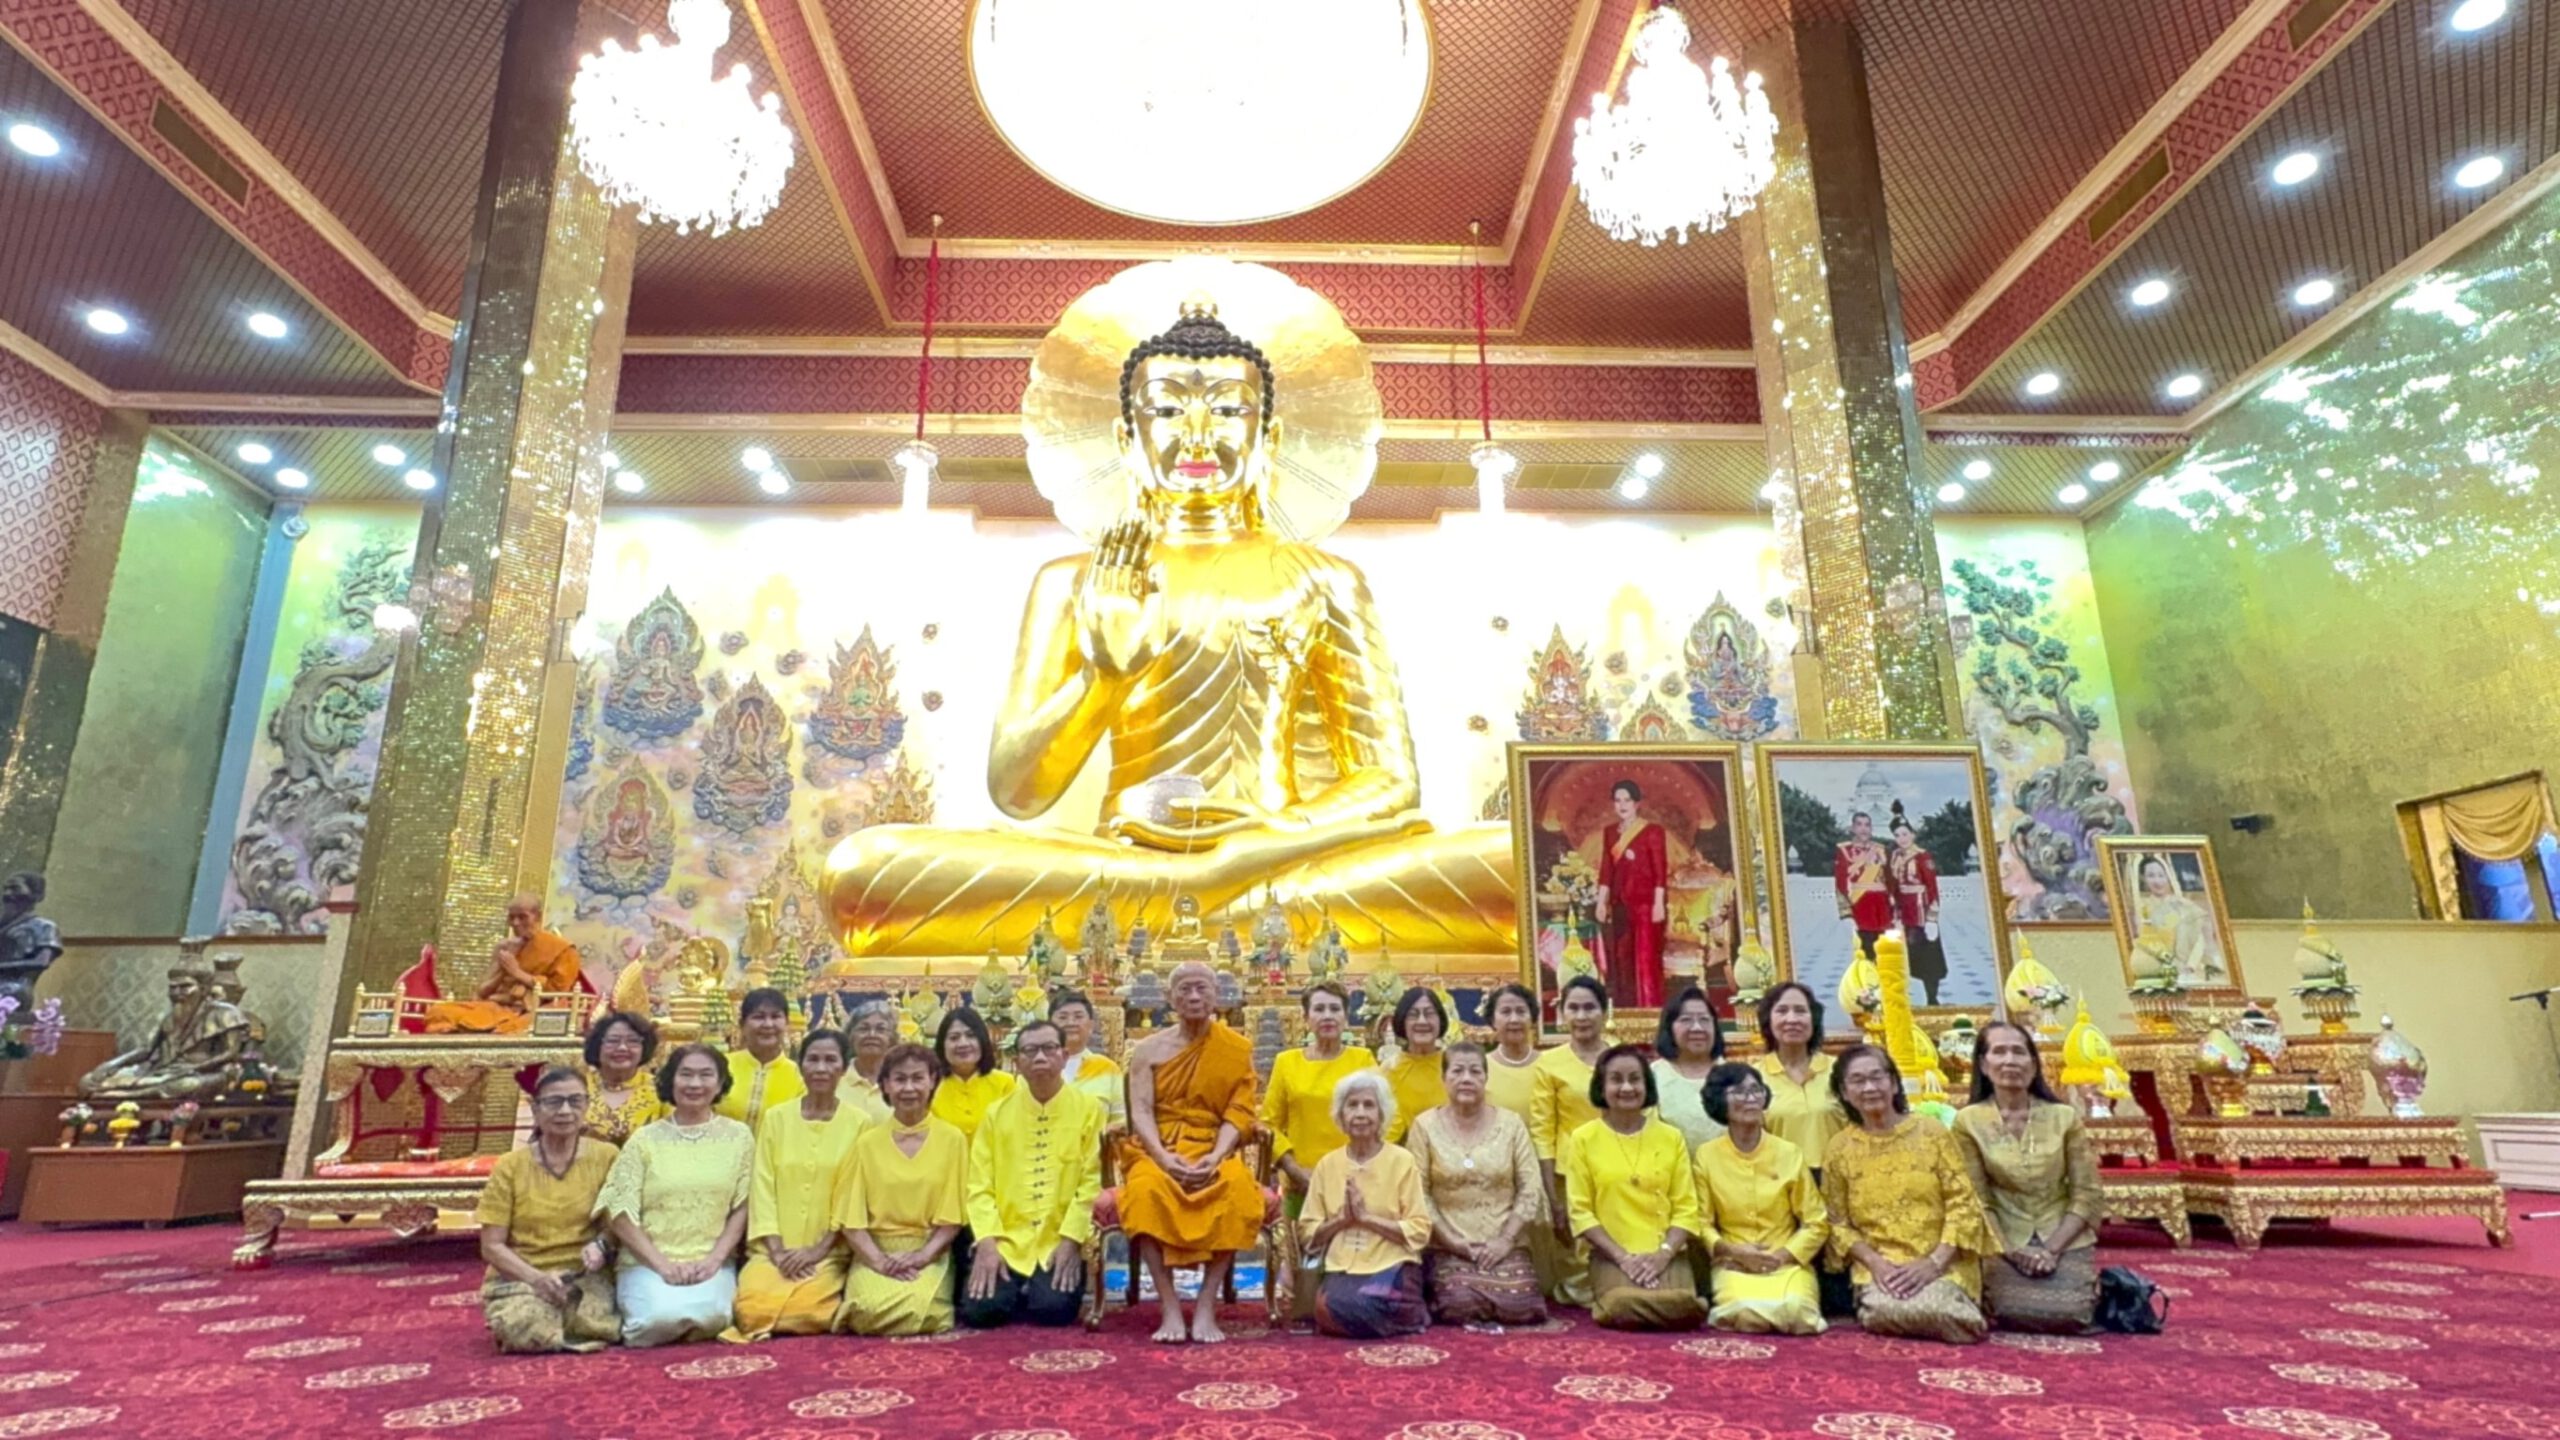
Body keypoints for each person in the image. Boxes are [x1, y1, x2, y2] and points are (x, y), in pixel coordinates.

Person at [1121, 961, 1266, 1345]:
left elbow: (1239, 1111)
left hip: (1212, 1145)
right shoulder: (1147, 1050)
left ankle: (1206, 1303)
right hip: (1158, 1147)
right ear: (1169, 998)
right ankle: (1169, 1305)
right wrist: (1162, 1157)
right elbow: (1141, 1111)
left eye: (1202, 988)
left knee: (1237, 1189)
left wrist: (1217, 1156)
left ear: (1217, 996)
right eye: (1185, 989)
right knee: (1144, 1191)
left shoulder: (1236, 1048)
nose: (1194, 996)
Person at [1821, 1044, 1993, 1344]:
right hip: (1881, 1268)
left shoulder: (1932, 1132)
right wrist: (1877, 1264)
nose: (1870, 1087)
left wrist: (1933, 1263)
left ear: (1894, 1083)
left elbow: (1963, 1204)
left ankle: (1959, 1312)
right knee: (1885, 1310)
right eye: (1858, 1081)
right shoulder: (1839, 1148)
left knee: (1937, 1308)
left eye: (1877, 1077)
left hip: (1942, 1261)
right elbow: (1837, 1223)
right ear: (1845, 1093)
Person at [596, 1043, 753, 1347]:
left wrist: (715, 1259)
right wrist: (662, 1265)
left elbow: (743, 1206)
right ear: (671, 1080)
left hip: (710, 1260)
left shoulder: (739, 1136)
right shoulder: (645, 1139)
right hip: (648, 1261)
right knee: (655, 1321)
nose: (695, 1084)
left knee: (716, 1318)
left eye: (706, 1075)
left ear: (720, 1083)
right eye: (686, 1075)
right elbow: (619, 1212)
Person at [1953, 1022, 2102, 1334]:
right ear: (1983, 1064)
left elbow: (2087, 1193)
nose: (2010, 1060)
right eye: (1999, 1052)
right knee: (2010, 1310)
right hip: (2003, 1236)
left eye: (2019, 1052)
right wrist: (2010, 1251)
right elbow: (1977, 1200)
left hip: (2062, 1231)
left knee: (2070, 1312)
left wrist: (2052, 1250)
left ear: (2033, 1065)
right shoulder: (1968, 1121)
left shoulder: (2064, 1117)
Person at [962, 1019, 1106, 1328]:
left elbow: (1092, 1182)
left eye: (1048, 1048)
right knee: (982, 1312)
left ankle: (1033, 1289)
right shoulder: (997, 1114)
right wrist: (987, 1242)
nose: (1040, 1057)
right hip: (1007, 1241)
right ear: (1017, 1062)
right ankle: (1017, 1287)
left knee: (1053, 1311)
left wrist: (1072, 1240)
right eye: (1030, 1051)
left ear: (1064, 1056)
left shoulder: (1089, 1109)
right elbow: (979, 1186)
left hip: (1057, 1240)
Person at [725, 1029, 867, 1341]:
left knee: (811, 1312)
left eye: (830, 1060)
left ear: (844, 1068)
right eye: (813, 1059)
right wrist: (777, 1250)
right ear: (800, 1065)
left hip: (827, 1251)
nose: (821, 1068)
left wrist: (817, 1251)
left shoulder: (859, 1123)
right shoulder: (776, 1118)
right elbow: (762, 1185)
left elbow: (852, 1194)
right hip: (771, 1249)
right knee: (750, 1311)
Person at [476, 1066, 619, 1352]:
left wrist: (601, 1245)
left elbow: (617, 1225)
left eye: (575, 1101)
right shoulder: (510, 1166)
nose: (565, 1111)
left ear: (587, 1105)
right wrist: (536, 1279)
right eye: (554, 1102)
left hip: (584, 1274)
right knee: (525, 1326)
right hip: (523, 1277)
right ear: (535, 1108)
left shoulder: (607, 1156)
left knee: (601, 1323)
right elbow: (492, 1246)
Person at [1560, 1045, 1703, 1331]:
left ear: (1646, 1085)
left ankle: (1678, 1306)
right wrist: (1624, 1258)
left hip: (1665, 1253)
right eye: (1616, 1080)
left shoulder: (1671, 1137)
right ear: (1602, 1087)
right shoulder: (1583, 1139)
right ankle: (1689, 1309)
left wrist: (1663, 1254)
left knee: (1677, 1300)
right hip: (1611, 1255)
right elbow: (1581, 1213)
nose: (1626, 1088)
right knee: (1622, 1303)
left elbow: (1687, 1208)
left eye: (1635, 1079)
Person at [1403, 1041, 1545, 1328]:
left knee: (1523, 1305)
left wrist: (1505, 1240)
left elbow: (1530, 1187)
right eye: (1457, 1071)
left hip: (1503, 1243)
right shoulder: (1424, 1126)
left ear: (1486, 1078)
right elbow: (1418, 1191)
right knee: (1458, 1303)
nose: (1466, 1079)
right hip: (1447, 1245)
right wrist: (1452, 1241)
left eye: (1475, 1072)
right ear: (1444, 1078)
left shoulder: (1511, 1124)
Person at [836, 1043, 969, 1335]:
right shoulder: (866, 1143)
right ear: (885, 1085)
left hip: (929, 1251)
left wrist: (922, 1257)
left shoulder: (952, 1140)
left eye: (917, 1078)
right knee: (865, 1311)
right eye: (900, 1079)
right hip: (875, 1252)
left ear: (932, 1081)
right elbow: (852, 1222)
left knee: (923, 1310)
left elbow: (952, 1219)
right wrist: (879, 1261)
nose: (909, 1088)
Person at [1693, 1062, 1826, 1335]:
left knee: (1798, 1311)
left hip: (1787, 1264)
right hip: (1733, 1264)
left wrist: (1781, 1256)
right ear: (1719, 1100)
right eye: (1739, 1092)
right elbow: (1701, 1222)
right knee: (1742, 1310)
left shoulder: (1789, 1152)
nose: (1751, 1098)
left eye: (1756, 1090)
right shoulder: (1706, 1156)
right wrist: (1732, 1252)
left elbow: (1816, 1222)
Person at [1299, 1070, 1432, 1338]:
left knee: (1361, 1304)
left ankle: (1404, 1314)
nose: (1360, 1113)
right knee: (1329, 1306)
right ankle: (1404, 1319)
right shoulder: (1327, 1165)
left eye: (1369, 1105)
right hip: (1343, 1266)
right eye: (1353, 1105)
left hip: (1392, 1263)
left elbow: (1420, 1229)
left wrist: (1366, 1219)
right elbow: (1307, 1233)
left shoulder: (1402, 1161)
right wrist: (1342, 1220)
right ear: (1341, 1116)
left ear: (1382, 1115)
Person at [1529, 974, 1611, 1306]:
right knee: (1574, 1252)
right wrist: (1552, 1194)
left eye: (1590, 1008)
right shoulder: (1549, 1064)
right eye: (1573, 1008)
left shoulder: (1619, 1057)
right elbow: (1542, 1131)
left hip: (1617, 1169)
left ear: (1604, 1012)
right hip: (1568, 1171)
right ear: (1562, 1014)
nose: (1581, 1016)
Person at [1263, 981, 1376, 1198]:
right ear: (1306, 1018)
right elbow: (1268, 1124)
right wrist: (1294, 1169)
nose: (1327, 1016)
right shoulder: (1286, 1062)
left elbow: (1381, 1120)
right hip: (1301, 1182)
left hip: (1355, 1182)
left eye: (1334, 1009)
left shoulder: (1363, 1060)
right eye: (1319, 1009)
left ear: (1346, 1016)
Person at [423, 895, 585, 1034]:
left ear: (538, 917)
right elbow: (482, 992)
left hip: (531, 1010)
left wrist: (517, 973)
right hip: (495, 1007)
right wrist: (503, 968)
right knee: (439, 1011)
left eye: (522, 917)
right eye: (511, 917)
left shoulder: (562, 949)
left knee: (514, 1028)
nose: (515, 923)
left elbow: (557, 991)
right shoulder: (504, 947)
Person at [1593, 779, 1670, 1008]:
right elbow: (1606, 870)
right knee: (1622, 958)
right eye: (1618, 800)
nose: (1622, 805)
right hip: (1620, 905)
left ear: (1637, 803)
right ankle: (1626, 1011)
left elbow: (1660, 870)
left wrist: (1658, 904)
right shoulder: (1610, 833)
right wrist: (1601, 902)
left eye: (1627, 800)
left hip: (1647, 906)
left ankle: (1650, 1010)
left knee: (1645, 959)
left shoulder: (1652, 832)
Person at [1751, 983, 1842, 1169]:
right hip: (1782, 1179)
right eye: (1782, 1011)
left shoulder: (1840, 1070)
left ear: (1814, 1018)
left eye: (1800, 1011)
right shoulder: (1754, 1078)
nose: (1791, 1019)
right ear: (1768, 1020)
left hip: (1837, 1177)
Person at [1650, 985, 1728, 1153]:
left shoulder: (1734, 1076)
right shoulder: (1653, 1077)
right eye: (1686, 1020)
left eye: (1704, 1020)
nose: (1697, 1028)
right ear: (1669, 1027)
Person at [2133, 854, 2229, 986]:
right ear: (2143, 878)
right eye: (2151, 876)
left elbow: (2200, 939)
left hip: (2192, 969)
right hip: (2159, 968)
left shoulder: (2186, 906)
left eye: (2161, 875)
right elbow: (2144, 940)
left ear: (2169, 876)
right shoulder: (2143, 908)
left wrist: (2191, 965)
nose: (2157, 881)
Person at [717, 988, 805, 1132]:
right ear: (742, 1025)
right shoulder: (720, 1067)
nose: (768, 1024)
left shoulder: (799, 1076)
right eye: (758, 1017)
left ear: (787, 1024)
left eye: (775, 1017)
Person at [1886, 804, 1947, 1005]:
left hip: (1922, 911)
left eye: (1905, 834)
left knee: (1929, 956)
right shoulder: (1895, 856)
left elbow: (1932, 887)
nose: (1902, 838)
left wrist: (1932, 919)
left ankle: (1932, 998)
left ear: (1913, 834)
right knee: (1911, 956)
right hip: (1905, 913)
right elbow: (1893, 885)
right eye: (1897, 835)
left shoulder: (1923, 856)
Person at [581, 1011, 667, 1144]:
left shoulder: (662, 1090)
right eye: (613, 1040)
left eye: (633, 1041)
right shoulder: (578, 1086)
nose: (622, 1048)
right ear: (597, 1046)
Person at [931, 1006, 1017, 1138]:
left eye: (971, 1036)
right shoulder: (930, 1085)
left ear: (982, 1040)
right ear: (942, 1045)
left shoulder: (1005, 1083)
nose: (963, 1043)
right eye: (954, 1038)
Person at [1381, 987, 1449, 1144]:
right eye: (1413, 1015)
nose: (1422, 1021)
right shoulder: (1389, 1070)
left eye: (1429, 1013)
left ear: (1440, 1019)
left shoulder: (1455, 1067)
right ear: (1402, 1021)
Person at [1049, 990, 1124, 1123]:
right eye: (1062, 1017)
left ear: (1091, 1025)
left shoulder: (1108, 1069)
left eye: (1078, 1017)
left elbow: (1121, 1122)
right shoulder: (1036, 1067)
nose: (1071, 1022)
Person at [0, 871, 61, 1014]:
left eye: (15, 888)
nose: (7, 894)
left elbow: (42, 961)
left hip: (14, 986)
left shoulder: (44, 927)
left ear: (35, 895)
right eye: (5, 889)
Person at [1481, 983, 1543, 1123]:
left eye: (1521, 1011)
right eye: (1506, 1012)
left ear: (1532, 1018)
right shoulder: (1481, 1067)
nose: (1514, 1019)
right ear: (1493, 1020)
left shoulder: (1548, 1064)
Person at [1834, 812, 1891, 963]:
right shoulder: (1844, 850)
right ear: (1853, 828)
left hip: (1882, 910)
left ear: (1871, 828)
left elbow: (1890, 881)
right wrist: (1846, 913)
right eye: (1859, 825)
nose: (1863, 829)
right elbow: (1840, 883)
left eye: (1867, 825)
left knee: (1885, 956)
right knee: (1866, 955)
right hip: (1861, 907)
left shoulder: (1881, 850)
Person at [839, 1000, 896, 1124]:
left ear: (892, 1038)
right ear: (851, 1036)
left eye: (881, 1029)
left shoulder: (901, 1082)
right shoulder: (835, 1081)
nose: (872, 1035)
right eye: (863, 1029)